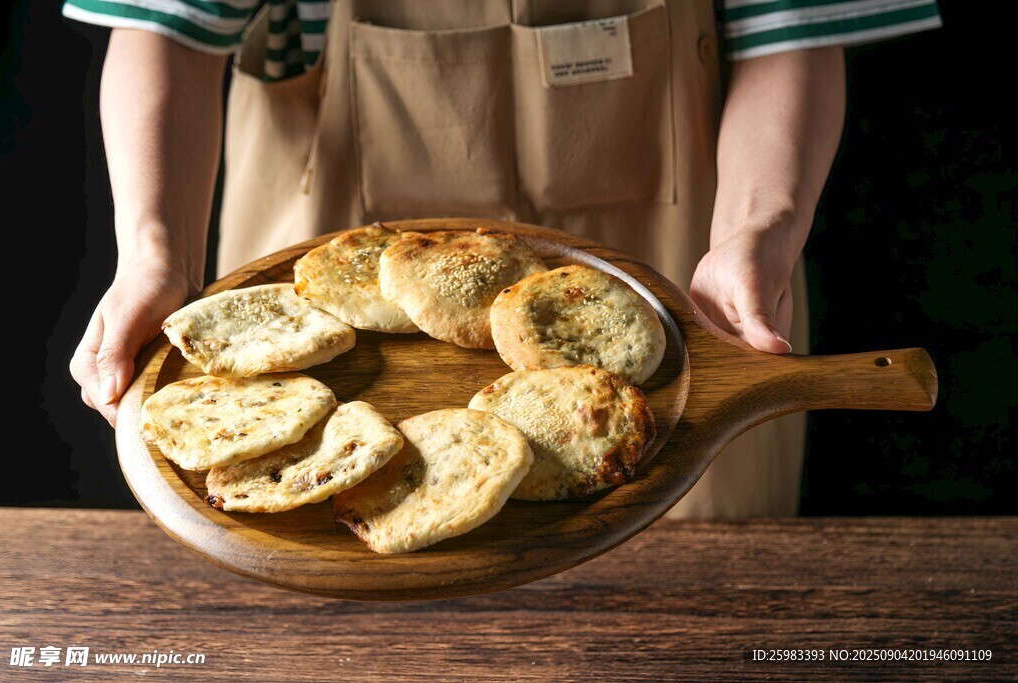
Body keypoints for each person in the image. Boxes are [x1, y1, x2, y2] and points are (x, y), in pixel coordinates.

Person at [65, 0, 941, 517]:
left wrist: (761, 231)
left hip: (671, 277)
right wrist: (154, 249)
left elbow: (789, 24)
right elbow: (165, 25)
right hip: (322, 259)